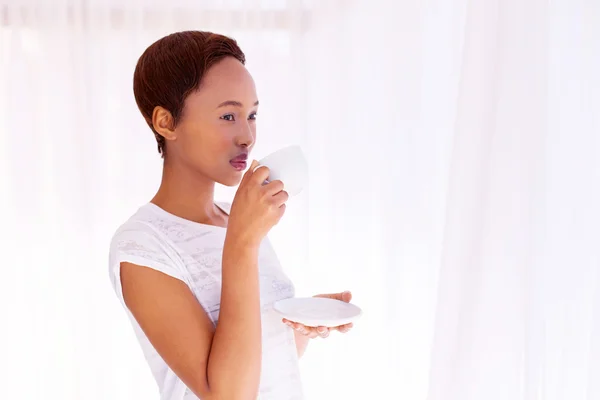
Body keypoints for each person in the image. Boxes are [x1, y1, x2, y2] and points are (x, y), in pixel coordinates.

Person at [108, 31, 354, 400]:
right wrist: (242, 240)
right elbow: (227, 394)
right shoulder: (142, 247)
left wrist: (299, 327)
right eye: (228, 115)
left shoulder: (235, 218)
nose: (247, 136)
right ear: (166, 123)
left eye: (251, 114)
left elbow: (255, 364)